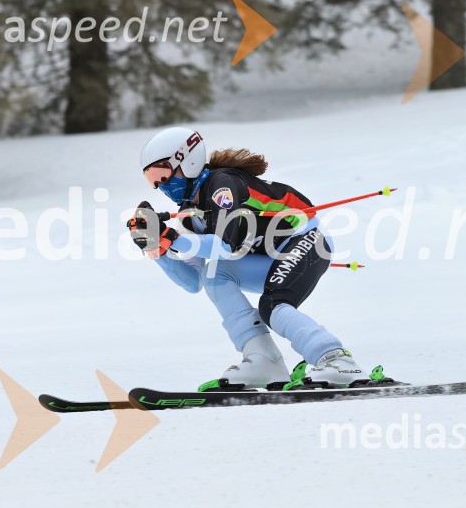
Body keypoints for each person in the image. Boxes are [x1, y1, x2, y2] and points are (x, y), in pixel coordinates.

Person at [129, 126, 364, 390]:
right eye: (151, 179)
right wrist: (159, 249)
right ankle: (264, 360)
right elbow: (192, 281)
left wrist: (173, 238)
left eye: (161, 173)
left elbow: (225, 245)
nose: (160, 184)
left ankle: (336, 360)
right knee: (213, 275)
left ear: (186, 160)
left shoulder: (222, 184)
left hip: (308, 240)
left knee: (274, 304)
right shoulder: (189, 214)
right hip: (272, 254)